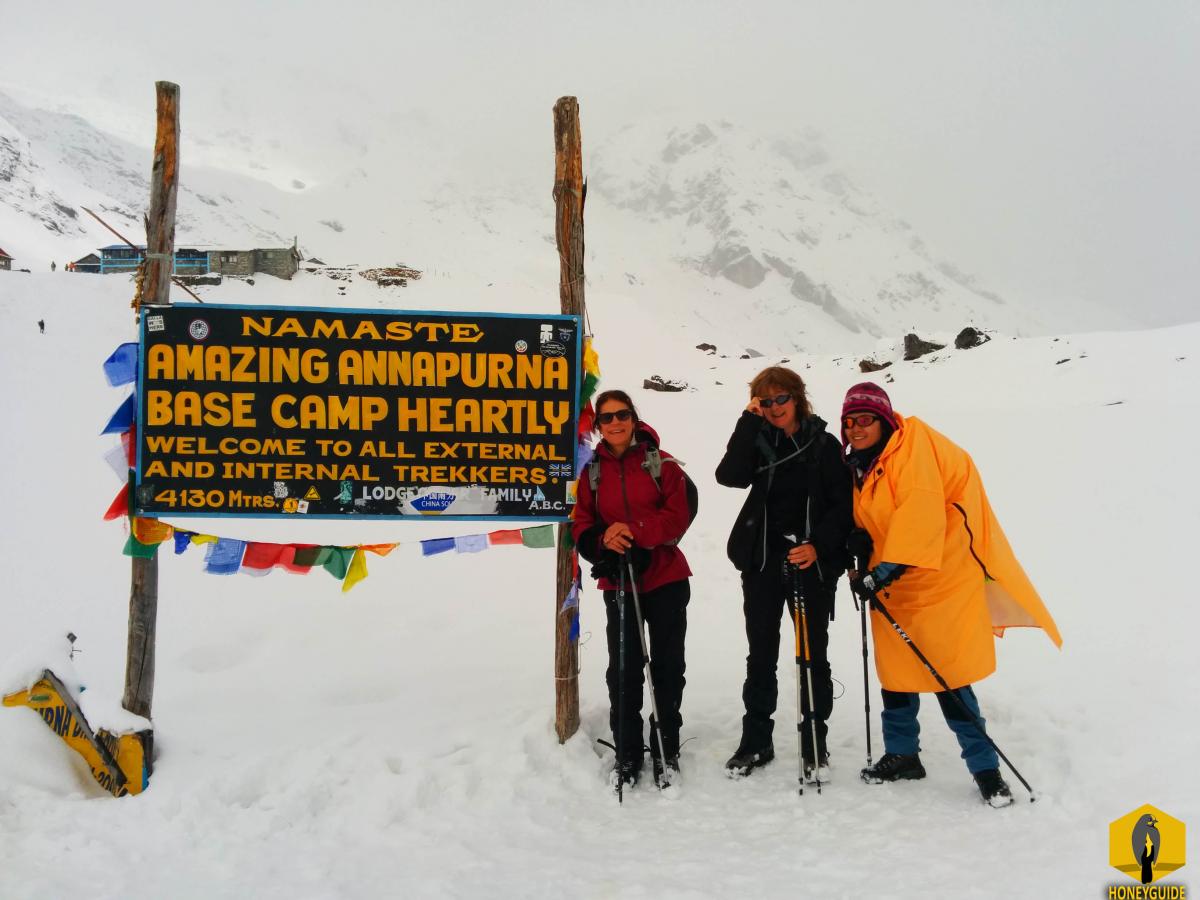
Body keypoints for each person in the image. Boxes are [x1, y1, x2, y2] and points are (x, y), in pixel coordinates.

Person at [840, 382, 1061, 807]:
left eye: (865, 420)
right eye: (849, 422)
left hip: (938, 583)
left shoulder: (913, 448)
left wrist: (883, 571)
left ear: (885, 421)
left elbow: (921, 514)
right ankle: (903, 755)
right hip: (895, 586)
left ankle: (986, 772)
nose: (855, 429)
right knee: (897, 677)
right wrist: (860, 539)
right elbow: (883, 514)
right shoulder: (865, 464)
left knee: (948, 678)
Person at [716, 366, 853, 778]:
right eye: (766, 401)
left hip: (809, 563)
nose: (775, 408)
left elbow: (842, 507)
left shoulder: (825, 445)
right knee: (761, 654)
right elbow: (729, 476)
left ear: (797, 398)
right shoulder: (757, 440)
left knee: (814, 654)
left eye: (781, 399)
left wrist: (818, 547)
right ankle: (756, 741)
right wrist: (747, 420)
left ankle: (815, 742)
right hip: (761, 561)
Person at [572, 389, 693, 787]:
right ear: (598, 426)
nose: (615, 423)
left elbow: (677, 515)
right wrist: (602, 542)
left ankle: (665, 746)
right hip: (619, 579)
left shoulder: (661, 463)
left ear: (634, 418)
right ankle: (627, 751)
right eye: (606, 418)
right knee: (622, 669)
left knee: (667, 666)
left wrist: (634, 533)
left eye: (622, 414)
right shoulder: (591, 471)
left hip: (665, 577)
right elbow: (582, 522)